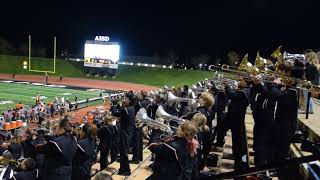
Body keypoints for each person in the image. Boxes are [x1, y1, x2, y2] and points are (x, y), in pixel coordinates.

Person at [111, 92, 136, 176]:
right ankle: (123, 169)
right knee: (123, 152)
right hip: (129, 132)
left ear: (129, 100)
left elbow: (115, 113)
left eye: (125, 98)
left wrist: (114, 105)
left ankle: (126, 170)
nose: (124, 100)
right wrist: (120, 106)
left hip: (124, 133)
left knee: (123, 152)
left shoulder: (126, 109)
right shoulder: (132, 108)